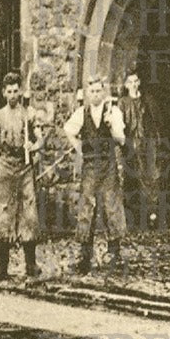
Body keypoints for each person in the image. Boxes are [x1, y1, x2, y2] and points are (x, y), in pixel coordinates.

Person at [63, 76, 126, 273]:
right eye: (92, 92)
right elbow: (68, 129)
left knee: (111, 206)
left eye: (99, 91)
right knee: (87, 207)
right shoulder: (82, 113)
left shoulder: (113, 111)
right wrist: (79, 148)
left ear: (104, 92)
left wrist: (111, 126)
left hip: (108, 165)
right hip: (90, 165)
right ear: (88, 94)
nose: (95, 95)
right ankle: (84, 255)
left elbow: (121, 139)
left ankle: (114, 253)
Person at [0, 72, 43, 281]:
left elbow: (40, 140)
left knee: (29, 212)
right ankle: (2, 267)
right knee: (4, 213)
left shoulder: (29, 114)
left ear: (20, 91)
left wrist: (33, 145)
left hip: (25, 167)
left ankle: (31, 264)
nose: (12, 95)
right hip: (5, 167)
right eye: (8, 91)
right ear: (3, 93)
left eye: (15, 91)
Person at [117, 71, 163, 230]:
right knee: (130, 180)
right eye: (131, 82)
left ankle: (152, 216)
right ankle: (132, 219)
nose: (134, 84)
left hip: (147, 145)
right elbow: (119, 125)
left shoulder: (148, 100)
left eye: (136, 81)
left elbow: (157, 123)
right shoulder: (122, 103)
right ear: (126, 85)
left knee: (150, 179)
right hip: (130, 146)